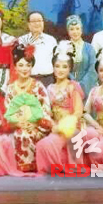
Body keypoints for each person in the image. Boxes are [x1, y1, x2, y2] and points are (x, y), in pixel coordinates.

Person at [36, 41, 88, 174]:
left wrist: (65, 126)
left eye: (64, 67)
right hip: (55, 127)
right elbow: (47, 111)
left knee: (50, 143)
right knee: (43, 145)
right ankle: (56, 167)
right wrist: (53, 125)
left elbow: (78, 112)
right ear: (53, 68)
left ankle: (67, 166)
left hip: (72, 128)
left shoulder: (73, 86)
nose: (60, 70)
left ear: (69, 69)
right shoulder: (49, 88)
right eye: (57, 66)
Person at [4, 43, 53, 172]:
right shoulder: (10, 88)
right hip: (17, 127)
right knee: (19, 134)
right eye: (20, 65)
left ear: (31, 67)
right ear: (15, 67)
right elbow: (9, 112)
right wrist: (18, 123)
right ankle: (22, 167)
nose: (24, 69)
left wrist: (35, 124)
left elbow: (45, 109)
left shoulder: (38, 86)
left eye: (28, 65)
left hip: (37, 126)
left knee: (26, 134)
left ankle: (34, 166)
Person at [18, 11, 58, 87]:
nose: (37, 23)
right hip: (28, 80)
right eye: (33, 21)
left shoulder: (51, 40)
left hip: (48, 80)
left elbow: (56, 61)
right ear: (28, 24)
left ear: (43, 23)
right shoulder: (22, 40)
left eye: (39, 21)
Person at [65, 15, 97, 96]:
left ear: (81, 30)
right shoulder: (63, 47)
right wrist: (73, 82)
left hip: (87, 86)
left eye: (77, 29)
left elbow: (93, 68)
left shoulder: (89, 48)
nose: (75, 32)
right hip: (68, 87)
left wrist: (81, 85)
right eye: (72, 29)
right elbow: (61, 68)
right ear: (68, 31)